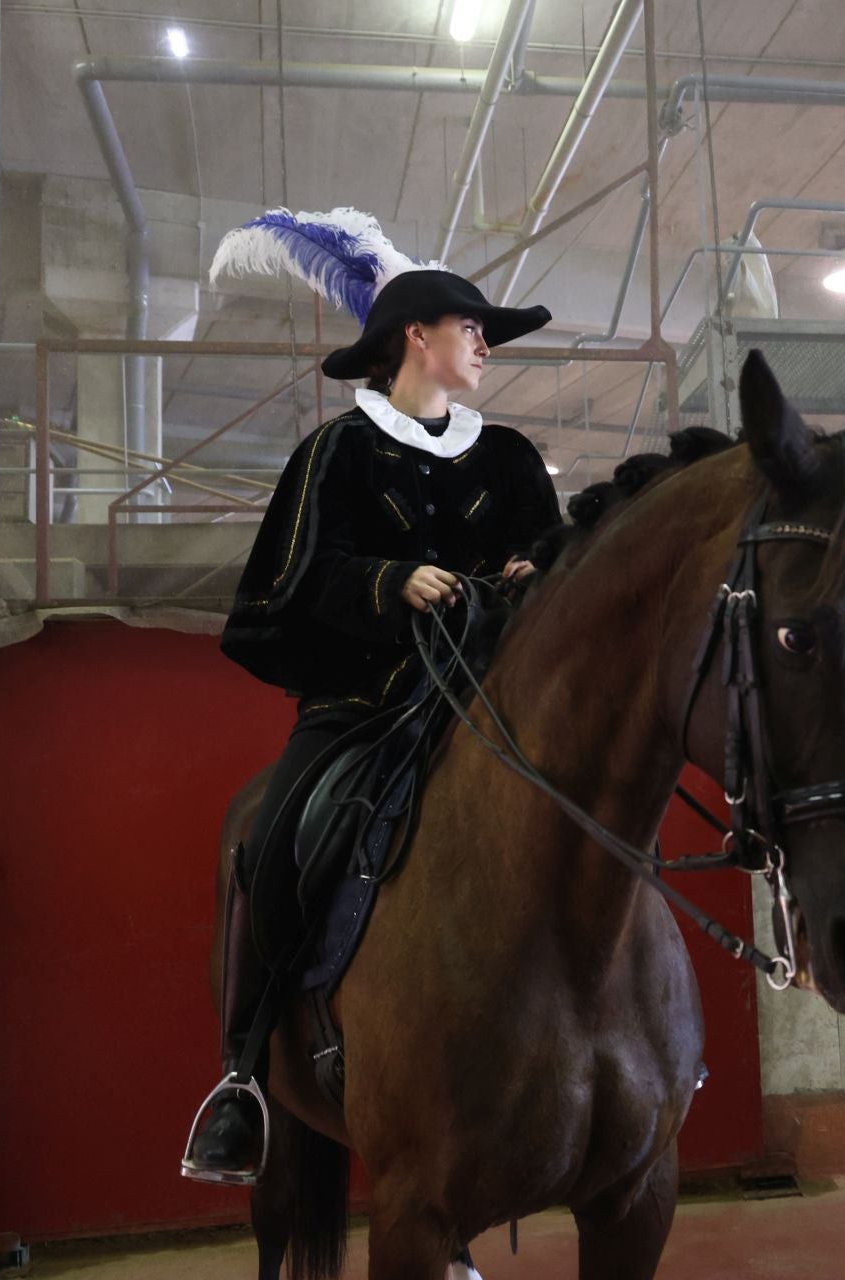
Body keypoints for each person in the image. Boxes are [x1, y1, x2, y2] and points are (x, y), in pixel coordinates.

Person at [182, 236, 564, 1183]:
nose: (486, 345)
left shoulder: (512, 458)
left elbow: (553, 555)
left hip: (492, 700)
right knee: (273, 842)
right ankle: (243, 1074)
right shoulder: (336, 452)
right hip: (364, 702)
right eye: (471, 328)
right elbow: (293, 577)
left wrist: (534, 571)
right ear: (415, 337)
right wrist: (388, 582)